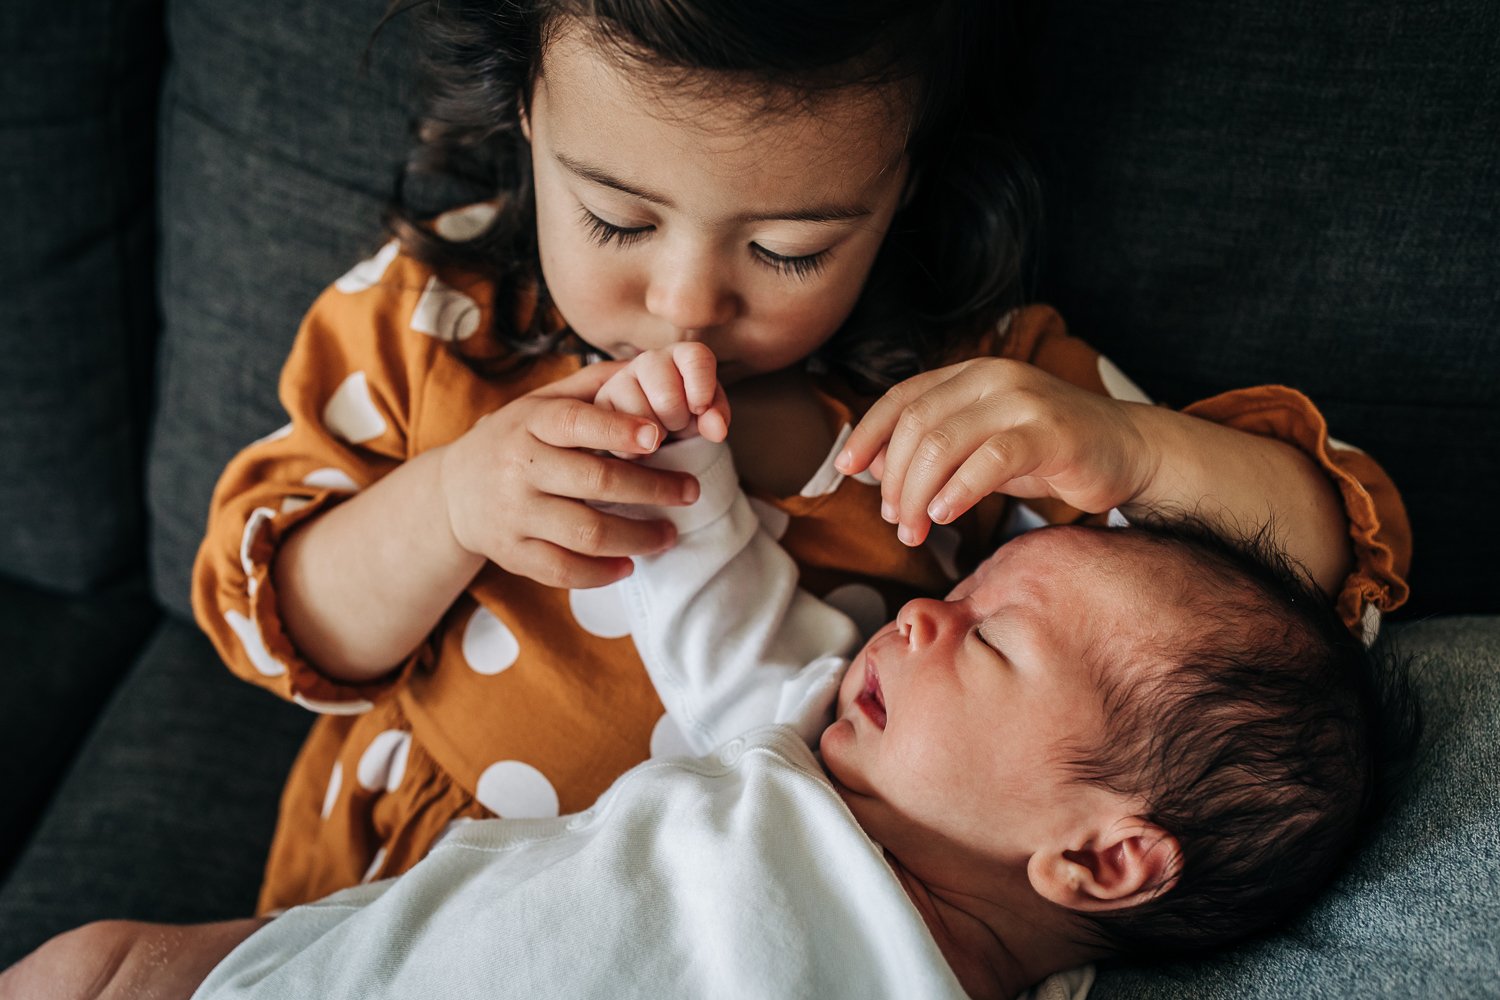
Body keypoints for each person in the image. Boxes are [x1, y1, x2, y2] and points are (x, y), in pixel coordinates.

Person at [189, 0, 1411, 917]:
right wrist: (451, 502)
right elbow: (278, 622)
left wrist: (1129, 449)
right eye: (617, 217)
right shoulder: (435, 319)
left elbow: (1298, 593)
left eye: (787, 249)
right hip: (399, 901)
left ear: (900, 190)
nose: (684, 300)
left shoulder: (975, 387)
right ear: (527, 117)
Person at [1, 392, 1416, 1000]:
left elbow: (1329, 543)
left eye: (986, 640)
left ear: (1102, 856)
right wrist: (665, 439)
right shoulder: (794, 737)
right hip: (321, 975)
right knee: (95, 967)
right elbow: (707, 586)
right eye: (960, 599)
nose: (924, 608)